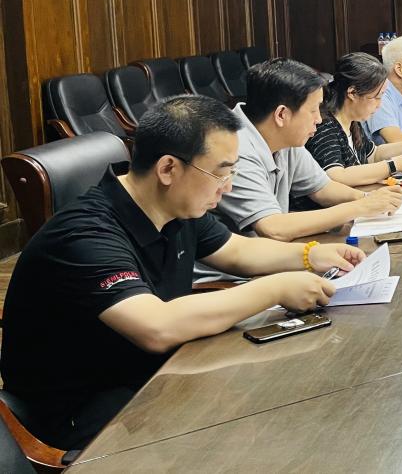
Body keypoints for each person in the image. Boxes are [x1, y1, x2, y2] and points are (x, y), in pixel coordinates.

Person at [0, 95, 364, 450]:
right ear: (168, 169)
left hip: (158, 378)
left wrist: (310, 254)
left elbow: (239, 252)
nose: (228, 186)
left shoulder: (175, 206)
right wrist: (275, 289)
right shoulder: (84, 234)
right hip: (90, 416)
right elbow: (156, 327)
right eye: (221, 172)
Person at [214, 58, 402, 241]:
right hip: (242, 261)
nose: (319, 119)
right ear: (282, 115)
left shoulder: (283, 136)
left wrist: (368, 198)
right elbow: (273, 228)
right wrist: (360, 207)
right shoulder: (234, 149)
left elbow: (323, 189)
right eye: (313, 110)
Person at [305, 52, 402, 186]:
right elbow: (337, 176)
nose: (379, 104)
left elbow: (374, 155)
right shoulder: (324, 126)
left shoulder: (353, 123)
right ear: (352, 93)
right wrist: (394, 165)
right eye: (376, 97)